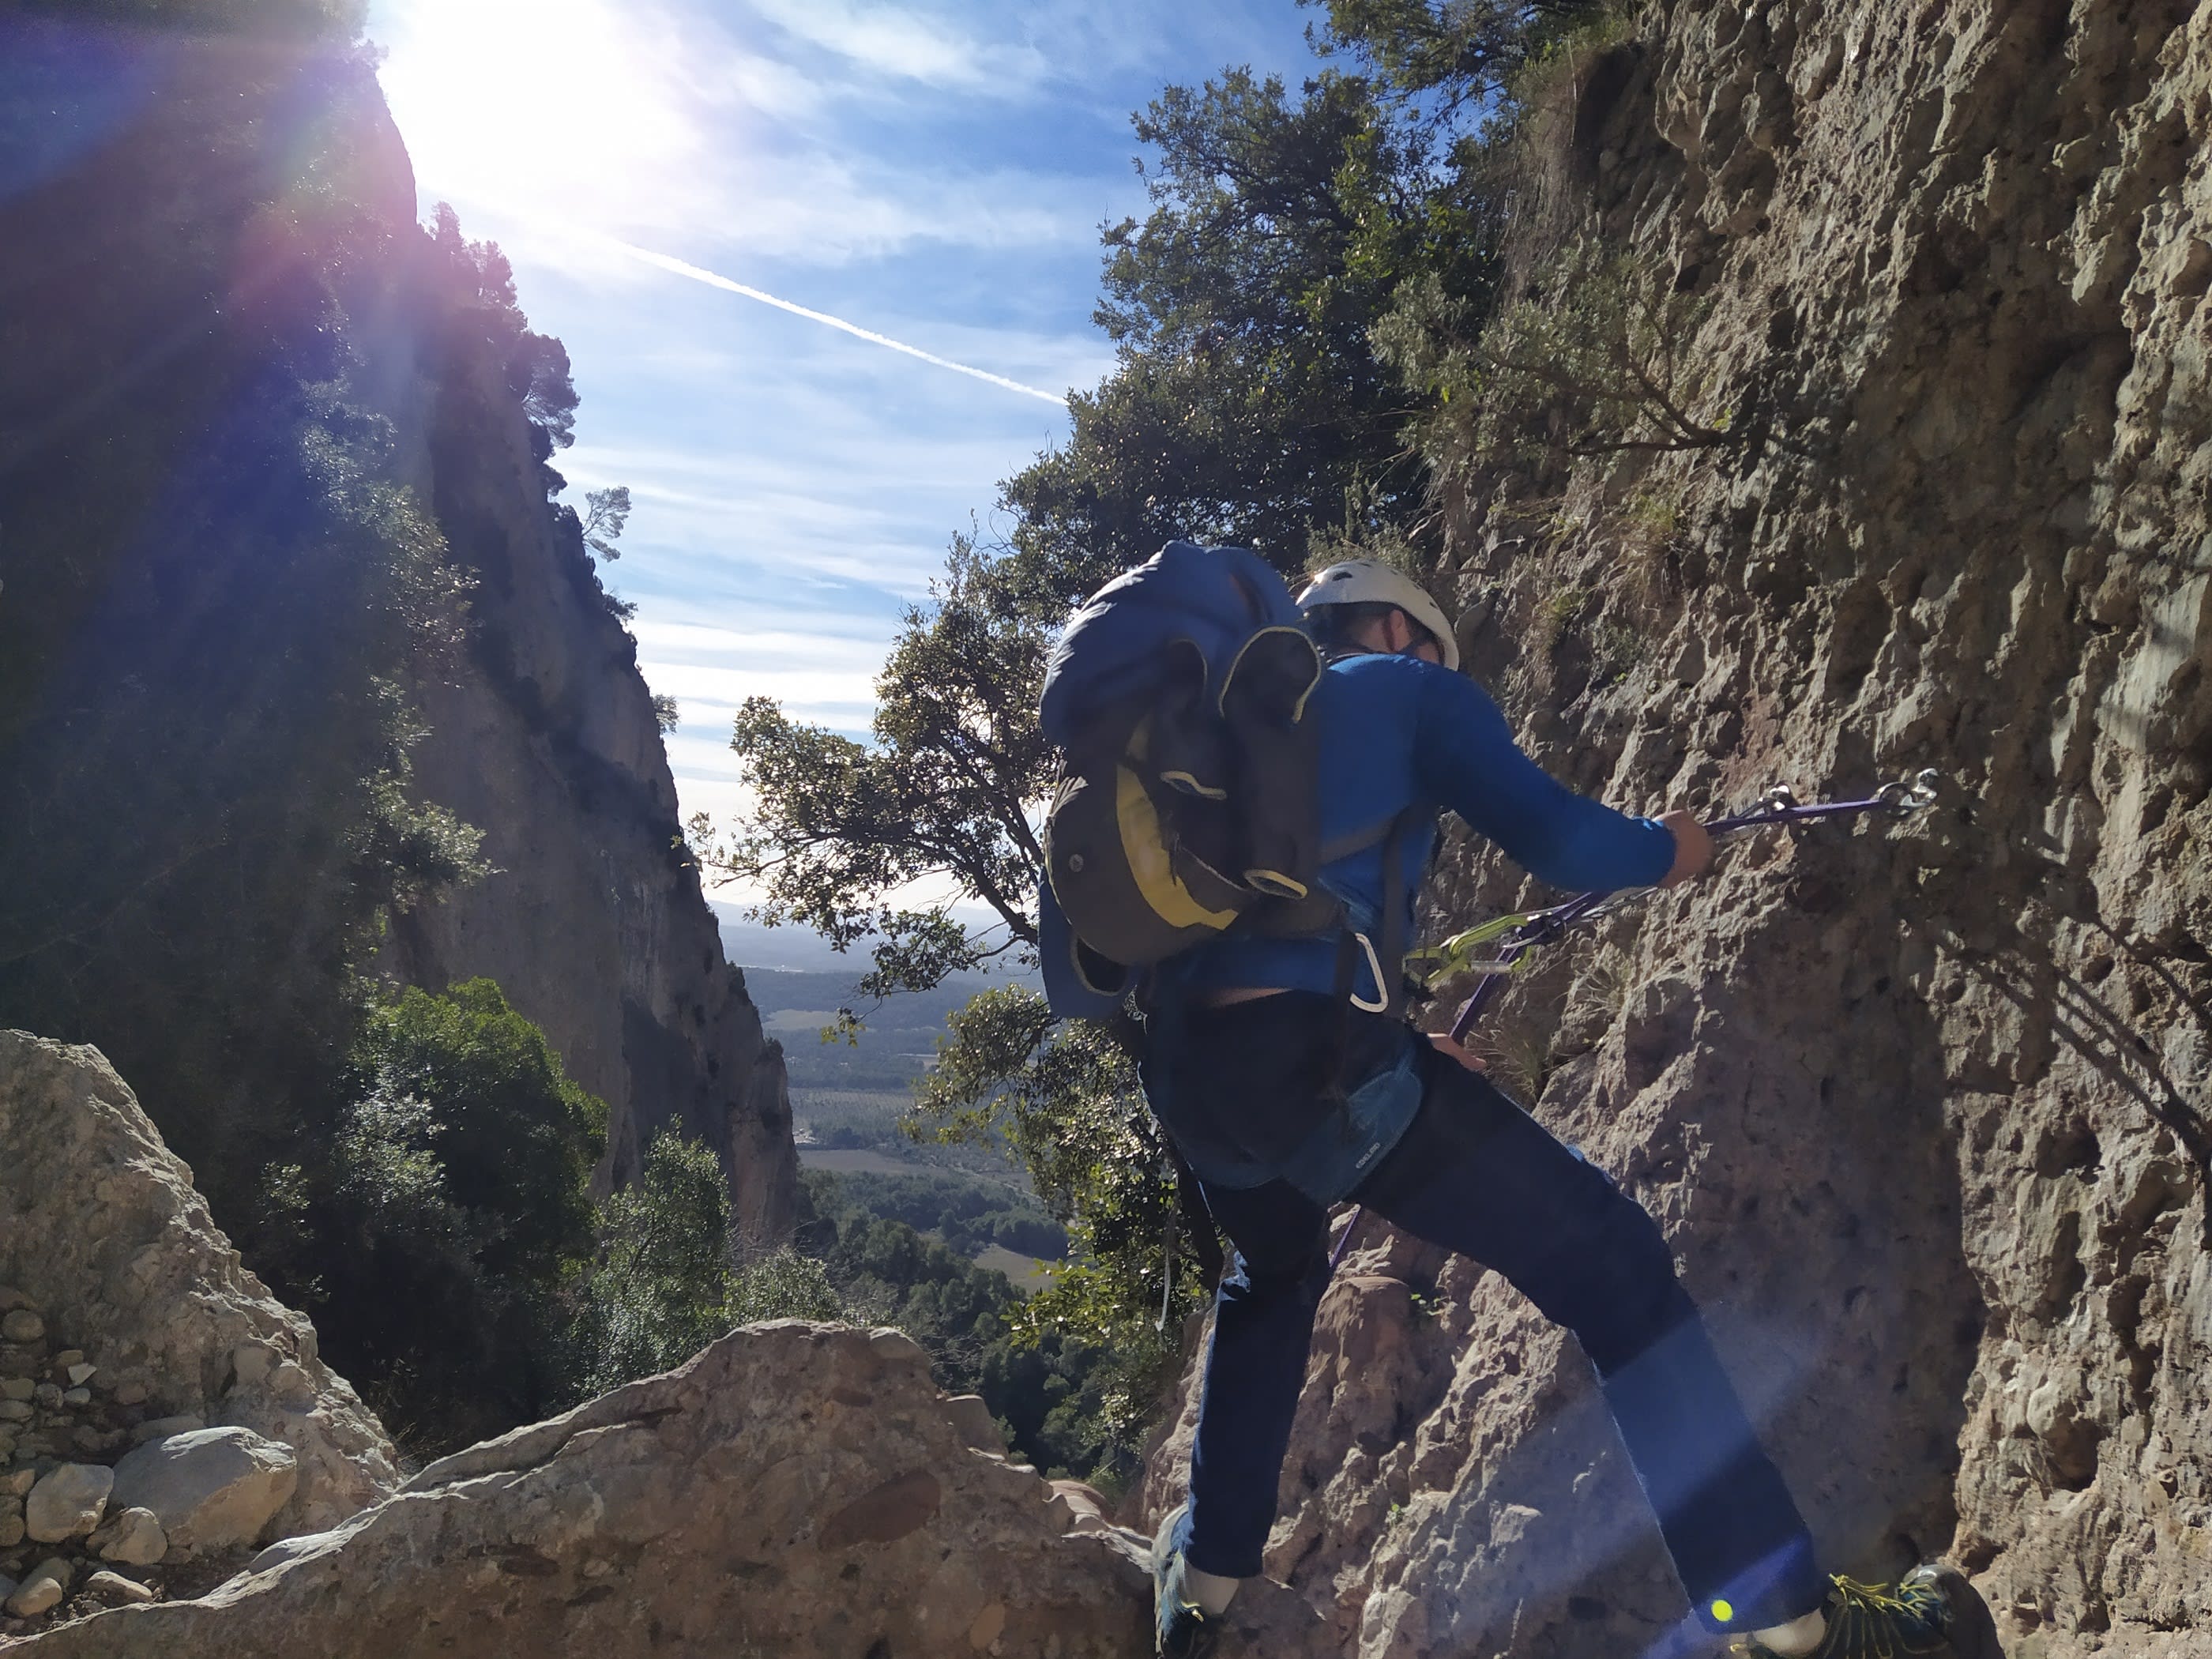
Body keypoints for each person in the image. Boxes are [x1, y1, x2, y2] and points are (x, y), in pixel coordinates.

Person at [1141, 560, 1999, 1659]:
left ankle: (1199, 1592)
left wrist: (1389, 1044)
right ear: (1402, 625)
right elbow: (1562, 841)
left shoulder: (1230, 736)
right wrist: (1672, 851)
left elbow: (1254, 953)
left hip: (1191, 1079)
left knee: (1269, 1277)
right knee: (1614, 1270)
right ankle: (1791, 1630)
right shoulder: (1405, 688)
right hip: (1320, 1060)